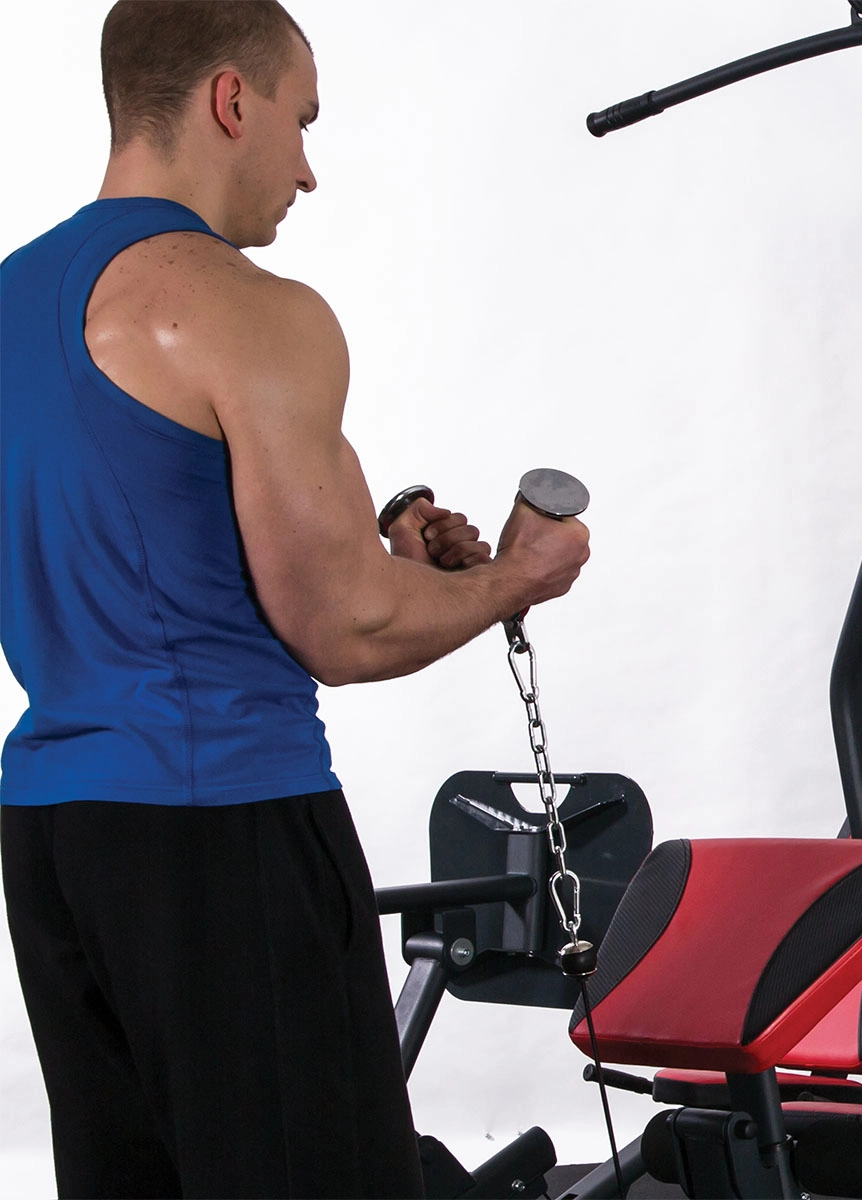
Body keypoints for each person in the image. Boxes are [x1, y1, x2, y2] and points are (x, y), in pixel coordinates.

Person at [0, 2, 590, 1196]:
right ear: (232, 100)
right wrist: (516, 578)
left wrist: (384, 545)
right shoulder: (252, 310)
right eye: (301, 120)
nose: (308, 169)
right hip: (225, 824)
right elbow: (345, 626)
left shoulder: (14, 299)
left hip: (57, 835)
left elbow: (121, 526)